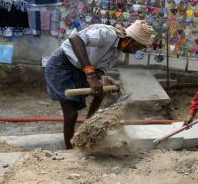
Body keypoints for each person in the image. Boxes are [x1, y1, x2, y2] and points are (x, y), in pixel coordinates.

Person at [45, 20, 154, 149]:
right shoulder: (107, 34)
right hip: (62, 65)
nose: (136, 52)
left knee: (101, 89)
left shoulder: (116, 52)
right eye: (137, 47)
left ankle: (88, 127)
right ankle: (70, 150)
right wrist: (91, 76)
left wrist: (103, 77)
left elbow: (100, 68)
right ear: (130, 40)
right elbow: (75, 39)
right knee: (71, 114)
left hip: (81, 69)